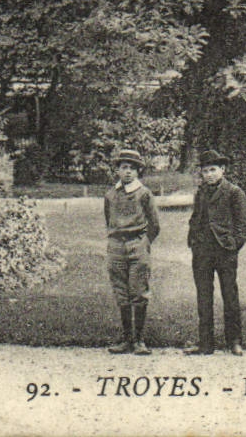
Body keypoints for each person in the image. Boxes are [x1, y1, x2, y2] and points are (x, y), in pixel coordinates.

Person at [185, 149, 246, 356]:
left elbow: (244, 226)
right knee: (203, 297)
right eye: (205, 171)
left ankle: (235, 341)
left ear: (222, 170)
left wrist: (232, 246)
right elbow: (195, 219)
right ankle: (206, 344)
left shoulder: (234, 192)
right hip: (202, 252)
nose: (209, 174)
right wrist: (193, 241)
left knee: (230, 296)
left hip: (224, 252)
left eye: (213, 170)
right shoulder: (201, 193)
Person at [103, 148, 159, 355]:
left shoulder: (144, 194)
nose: (128, 172)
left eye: (132, 168)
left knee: (139, 292)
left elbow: (154, 224)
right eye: (123, 167)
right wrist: (114, 239)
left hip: (137, 244)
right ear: (117, 170)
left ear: (138, 172)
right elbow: (108, 219)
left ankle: (139, 340)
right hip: (116, 246)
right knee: (121, 292)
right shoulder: (110, 195)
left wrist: (144, 243)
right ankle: (126, 339)